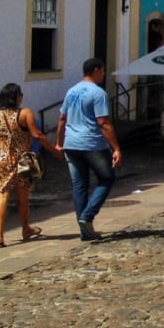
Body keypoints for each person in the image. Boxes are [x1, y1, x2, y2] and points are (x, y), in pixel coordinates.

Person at [0, 82, 62, 247]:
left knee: (3, 194)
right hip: (22, 159)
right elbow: (37, 135)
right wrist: (54, 150)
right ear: (16, 97)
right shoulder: (25, 114)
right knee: (23, 196)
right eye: (20, 94)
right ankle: (25, 228)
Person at [57, 58, 123, 241]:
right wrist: (116, 147)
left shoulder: (71, 91)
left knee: (79, 186)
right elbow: (103, 122)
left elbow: (62, 119)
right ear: (96, 70)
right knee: (107, 178)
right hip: (92, 143)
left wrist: (59, 142)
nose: (103, 75)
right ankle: (88, 216)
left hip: (71, 144)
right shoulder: (98, 93)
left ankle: (84, 229)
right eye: (102, 71)